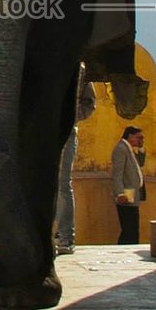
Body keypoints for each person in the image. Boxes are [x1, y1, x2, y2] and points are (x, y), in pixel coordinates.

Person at [54, 68, 97, 255]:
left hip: (66, 131)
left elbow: (89, 104)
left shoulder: (79, 70)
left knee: (63, 183)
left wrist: (70, 115)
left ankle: (66, 236)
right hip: (37, 131)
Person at [111, 124, 146, 245]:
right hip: (127, 191)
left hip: (132, 191)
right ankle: (125, 247)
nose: (140, 140)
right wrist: (120, 193)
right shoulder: (121, 149)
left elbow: (140, 164)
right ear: (130, 136)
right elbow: (117, 173)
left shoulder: (129, 149)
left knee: (133, 225)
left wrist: (141, 148)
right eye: (138, 137)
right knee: (129, 226)